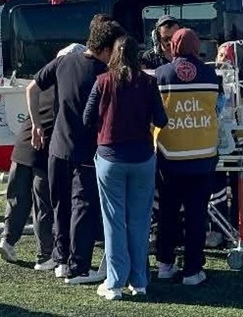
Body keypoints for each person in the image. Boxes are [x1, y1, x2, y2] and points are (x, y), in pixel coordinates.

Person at [26, 17, 124, 285]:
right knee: (83, 206)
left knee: (60, 203)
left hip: (57, 146)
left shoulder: (64, 61)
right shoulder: (104, 73)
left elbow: (32, 88)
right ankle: (79, 265)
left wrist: (36, 125)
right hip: (87, 149)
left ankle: (60, 260)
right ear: (106, 48)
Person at [83, 35, 167, 300]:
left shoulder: (103, 81)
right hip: (142, 156)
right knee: (140, 221)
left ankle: (115, 282)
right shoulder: (148, 82)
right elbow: (161, 120)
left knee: (113, 221)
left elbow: (87, 118)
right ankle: (139, 280)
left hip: (110, 157)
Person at [0, 43, 84, 270]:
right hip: (44, 147)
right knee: (43, 203)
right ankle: (44, 254)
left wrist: (35, 125)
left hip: (24, 141)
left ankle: (7, 239)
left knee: (17, 197)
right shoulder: (70, 85)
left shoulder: (43, 84)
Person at [153, 27, 221, 287]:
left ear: (173, 46)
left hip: (170, 155)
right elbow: (218, 107)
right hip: (203, 156)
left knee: (167, 214)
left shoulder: (161, 75)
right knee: (196, 215)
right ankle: (193, 270)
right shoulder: (211, 74)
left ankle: (165, 264)